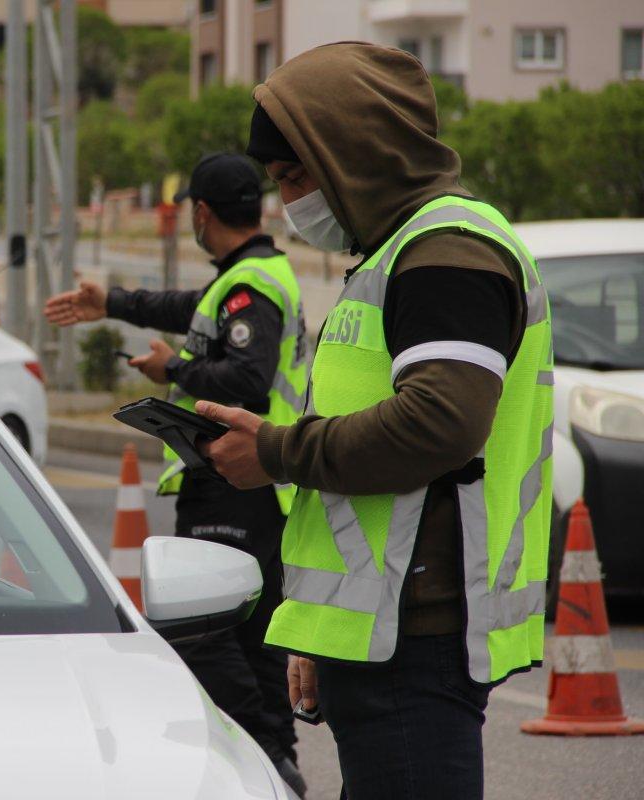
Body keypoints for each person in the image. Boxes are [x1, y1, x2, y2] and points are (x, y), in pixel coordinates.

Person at [194, 43, 552, 800]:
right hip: (383, 635)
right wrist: (317, 627)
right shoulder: (396, 252)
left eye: (298, 176)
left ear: (355, 155)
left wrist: (275, 451)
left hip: (417, 642)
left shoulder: (447, 251)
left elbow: (439, 424)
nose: (289, 200)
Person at [44, 152, 308, 795]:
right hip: (253, 480)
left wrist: (174, 373)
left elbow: (245, 378)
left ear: (200, 212)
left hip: (234, 475)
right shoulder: (251, 276)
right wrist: (112, 302)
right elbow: (187, 306)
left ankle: (264, 752)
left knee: (204, 630)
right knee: (251, 631)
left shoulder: (249, 287)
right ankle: (278, 759)